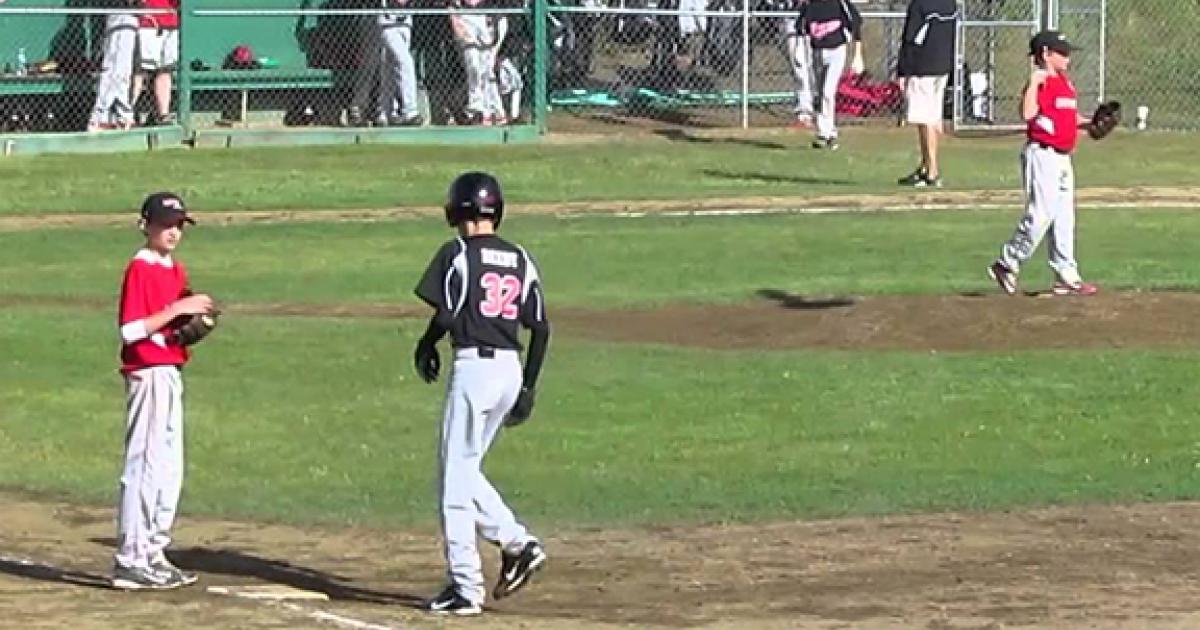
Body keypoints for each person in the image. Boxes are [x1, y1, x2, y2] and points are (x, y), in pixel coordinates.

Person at [414, 172, 550, 615]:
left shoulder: (458, 253)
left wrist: (426, 341)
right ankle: (518, 544)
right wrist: (528, 386)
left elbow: (450, 312)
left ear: (457, 210)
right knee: (466, 471)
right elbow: (541, 328)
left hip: (474, 369)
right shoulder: (521, 257)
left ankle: (465, 587)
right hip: (510, 369)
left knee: (454, 483)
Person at [112, 192, 214, 590]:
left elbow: (174, 323)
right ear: (146, 226)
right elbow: (130, 330)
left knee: (170, 464)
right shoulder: (140, 267)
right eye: (165, 224)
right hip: (147, 372)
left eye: (178, 225)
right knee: (146, 464)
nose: (172, 232)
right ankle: (131, 557)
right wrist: (174, 313)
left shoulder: (174, 269)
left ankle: (154, 549)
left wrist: (192, 318)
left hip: (169, 369)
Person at [988, 31, 1099, 297]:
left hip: (1063, 156)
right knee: (1041, 215)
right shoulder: (1041, 81)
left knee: (1064, 219)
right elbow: (1027, 114)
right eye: (1062, 52)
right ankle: (1007, 262)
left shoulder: (1065, 83)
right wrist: (1034, 83)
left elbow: (1068, 117)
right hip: (1043, 155)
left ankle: (1066, 275)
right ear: (1046, 54)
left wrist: (1092, 122)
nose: (1067, 57)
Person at [896, 0, 957, 187]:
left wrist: (903, 71)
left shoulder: (919, 5)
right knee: (930, 118)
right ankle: (925, 166)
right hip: (943, 66)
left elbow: (911, 40)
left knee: (926, 120)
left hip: (922, 67)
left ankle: (932, 170)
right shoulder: (950, 4)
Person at [796, 0, 863, 150]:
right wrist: (799, 49)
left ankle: (826, 132)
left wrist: (857, 55)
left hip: (837, 51)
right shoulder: (810, 5)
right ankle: (826, 132)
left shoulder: (839, 3)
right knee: (820, 93)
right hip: (817, 52)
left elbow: (856, 24)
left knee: (828, 91)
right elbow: (801, 27)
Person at [87, 8, 139, 132]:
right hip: (120, 15)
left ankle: (122, 117)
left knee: (124, 71)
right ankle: (99, 118)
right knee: (113, 69)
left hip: (129, 17)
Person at [134, 0, 181, 126]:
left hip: (170, 22)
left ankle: (163, 114)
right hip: (148, 24)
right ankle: (126, 113)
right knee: (139, 71)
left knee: (165, 70)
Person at [379, 0, 423, 125]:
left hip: (405, 23)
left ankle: (385, 111)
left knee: (389, 66)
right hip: (388, 23)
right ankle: (410, 111)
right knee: (405, 62)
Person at [780, 0, 815, 129]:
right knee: (799, 64)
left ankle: (817, 108)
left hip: (814, 17)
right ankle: (804, 112)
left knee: (812, 65)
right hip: (793, 18)